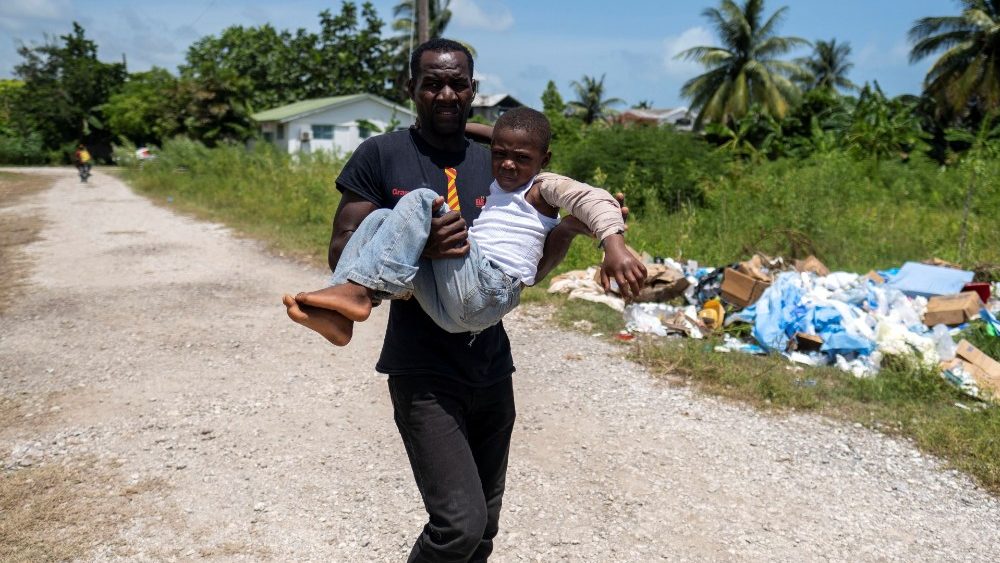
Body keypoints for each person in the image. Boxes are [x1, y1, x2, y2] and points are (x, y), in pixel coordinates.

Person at [291, 38, 637, 563]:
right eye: (432, 84)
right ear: (411, 88)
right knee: (458, 527)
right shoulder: (382, 154)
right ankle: (354, 299)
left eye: (458, 84)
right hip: (423, 369)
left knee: (484, 531)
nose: (446, 94)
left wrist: (575, 230)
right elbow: (343, 247)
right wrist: (423, 245)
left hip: (490, 365)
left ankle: (356, 301)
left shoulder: (501, 163)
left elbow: (527, 267)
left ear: (474, 90)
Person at [282, 106, 645, 346]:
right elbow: (497, 138)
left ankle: (358, 293)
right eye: (499, 154)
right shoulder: (502, 184)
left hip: (488, 288)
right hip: (454, 311)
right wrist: (446, 129)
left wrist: (613, 245)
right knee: (379, 219)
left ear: (544, 159)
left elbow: (593, 198)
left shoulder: (542, 187)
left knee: (423, 198)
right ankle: (341, 315)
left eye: (521, 158)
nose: (508, 164)